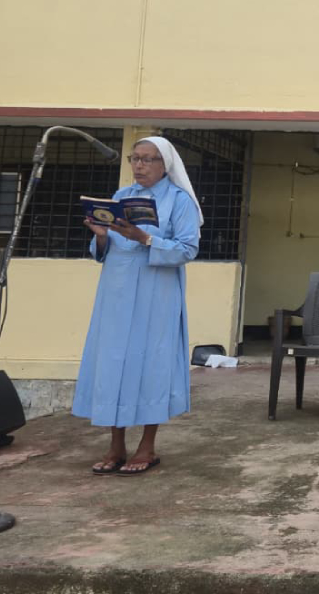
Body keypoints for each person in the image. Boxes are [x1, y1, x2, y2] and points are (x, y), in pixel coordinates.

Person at [74, 136, 203, 475]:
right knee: (113, 362)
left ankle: (147, 447)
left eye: (149, 159)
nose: (140, 165)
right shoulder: (120, 197)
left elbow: (188, 249)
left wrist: (145, 238)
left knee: (150, 364)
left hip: (155, 295)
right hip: (116, 294)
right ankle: (115, 446)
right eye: (136, 158)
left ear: (166, 165)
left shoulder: (179, 201)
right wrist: (101, 234)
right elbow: (105, 249)